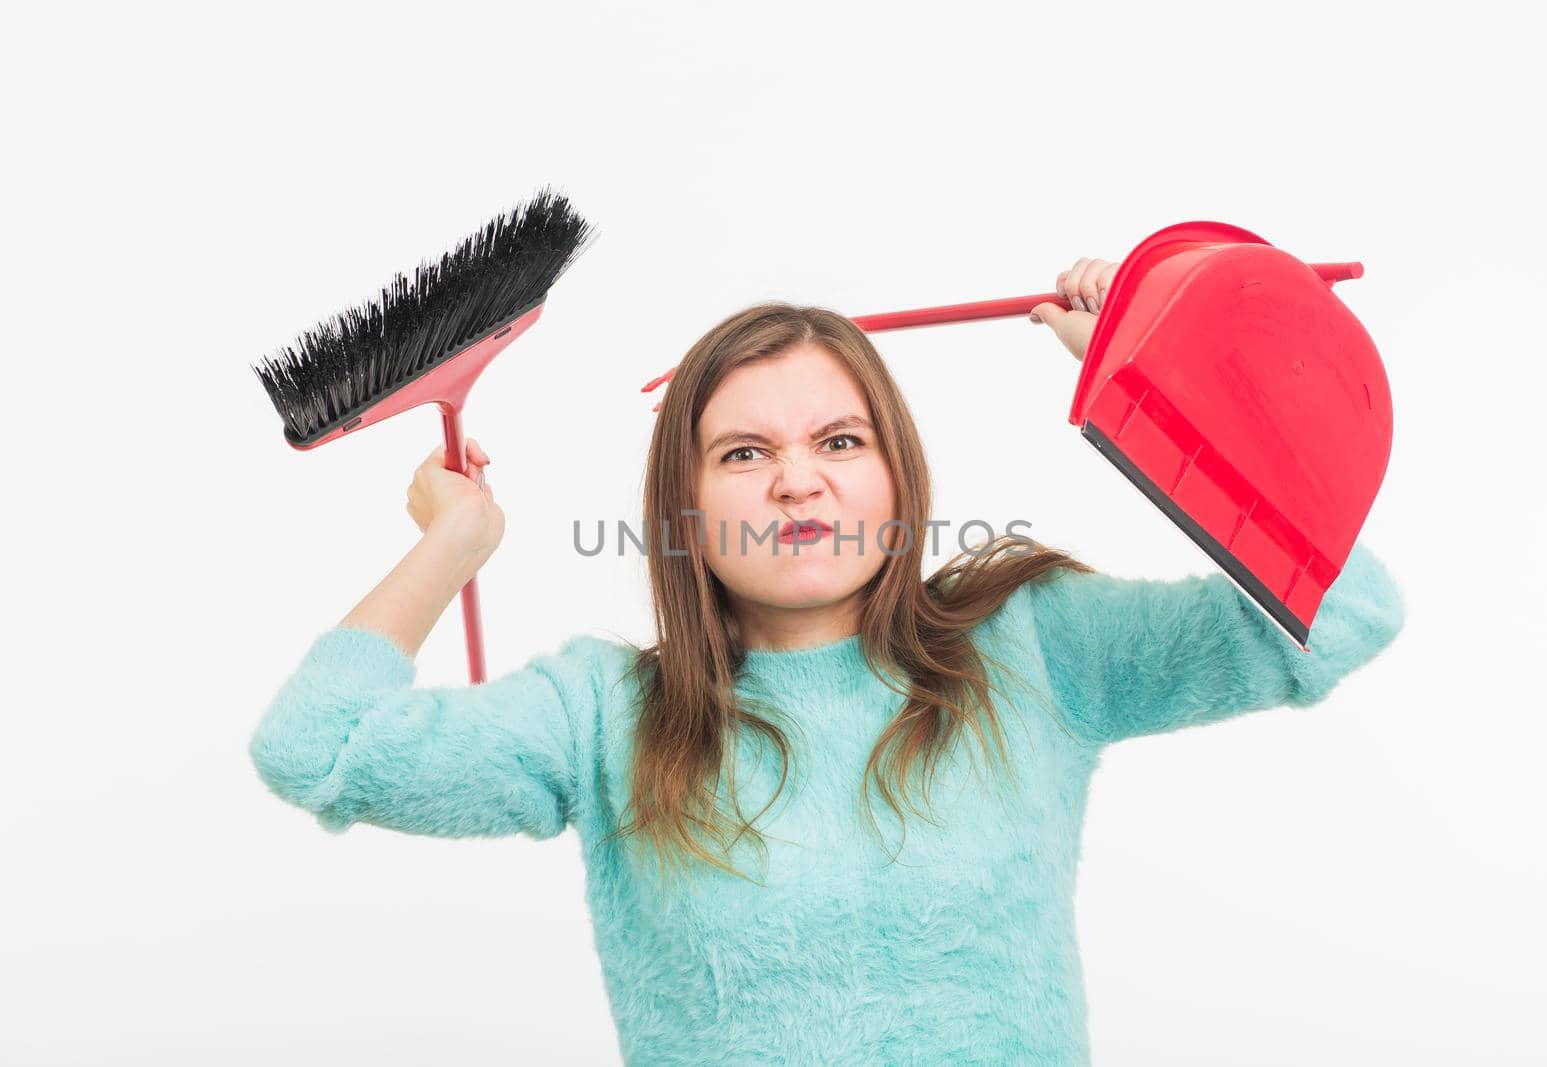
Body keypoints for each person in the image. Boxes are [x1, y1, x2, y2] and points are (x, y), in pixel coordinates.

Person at [249, 258, 1406, 1065]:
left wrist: (1153, 380)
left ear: (896, 479)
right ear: (687, 509)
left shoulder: (1035, 642)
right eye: (745, 451)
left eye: (839, 441)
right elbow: (316, 749)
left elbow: (1339, 610)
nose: (798, 480)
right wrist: (454, 543)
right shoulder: (604, 713)